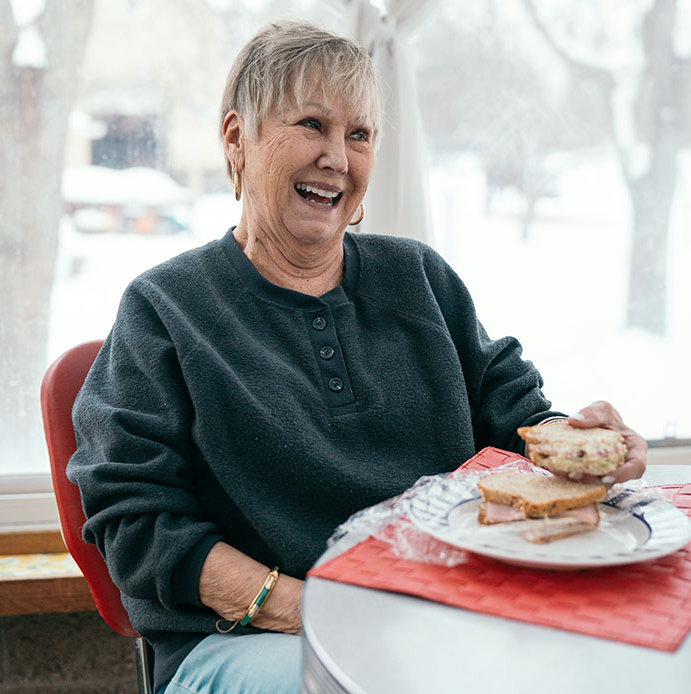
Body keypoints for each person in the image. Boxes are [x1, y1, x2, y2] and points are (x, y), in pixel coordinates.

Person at [67, 21, 647, 694]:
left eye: (359, 134)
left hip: (439, 618)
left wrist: (579, 445)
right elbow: (136, 527)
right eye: (312, 124)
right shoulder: (164, 311)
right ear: (236, 139)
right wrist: (312, 609)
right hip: (251, 641)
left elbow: (515, 417)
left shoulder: (421, 280)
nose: (337, 158)